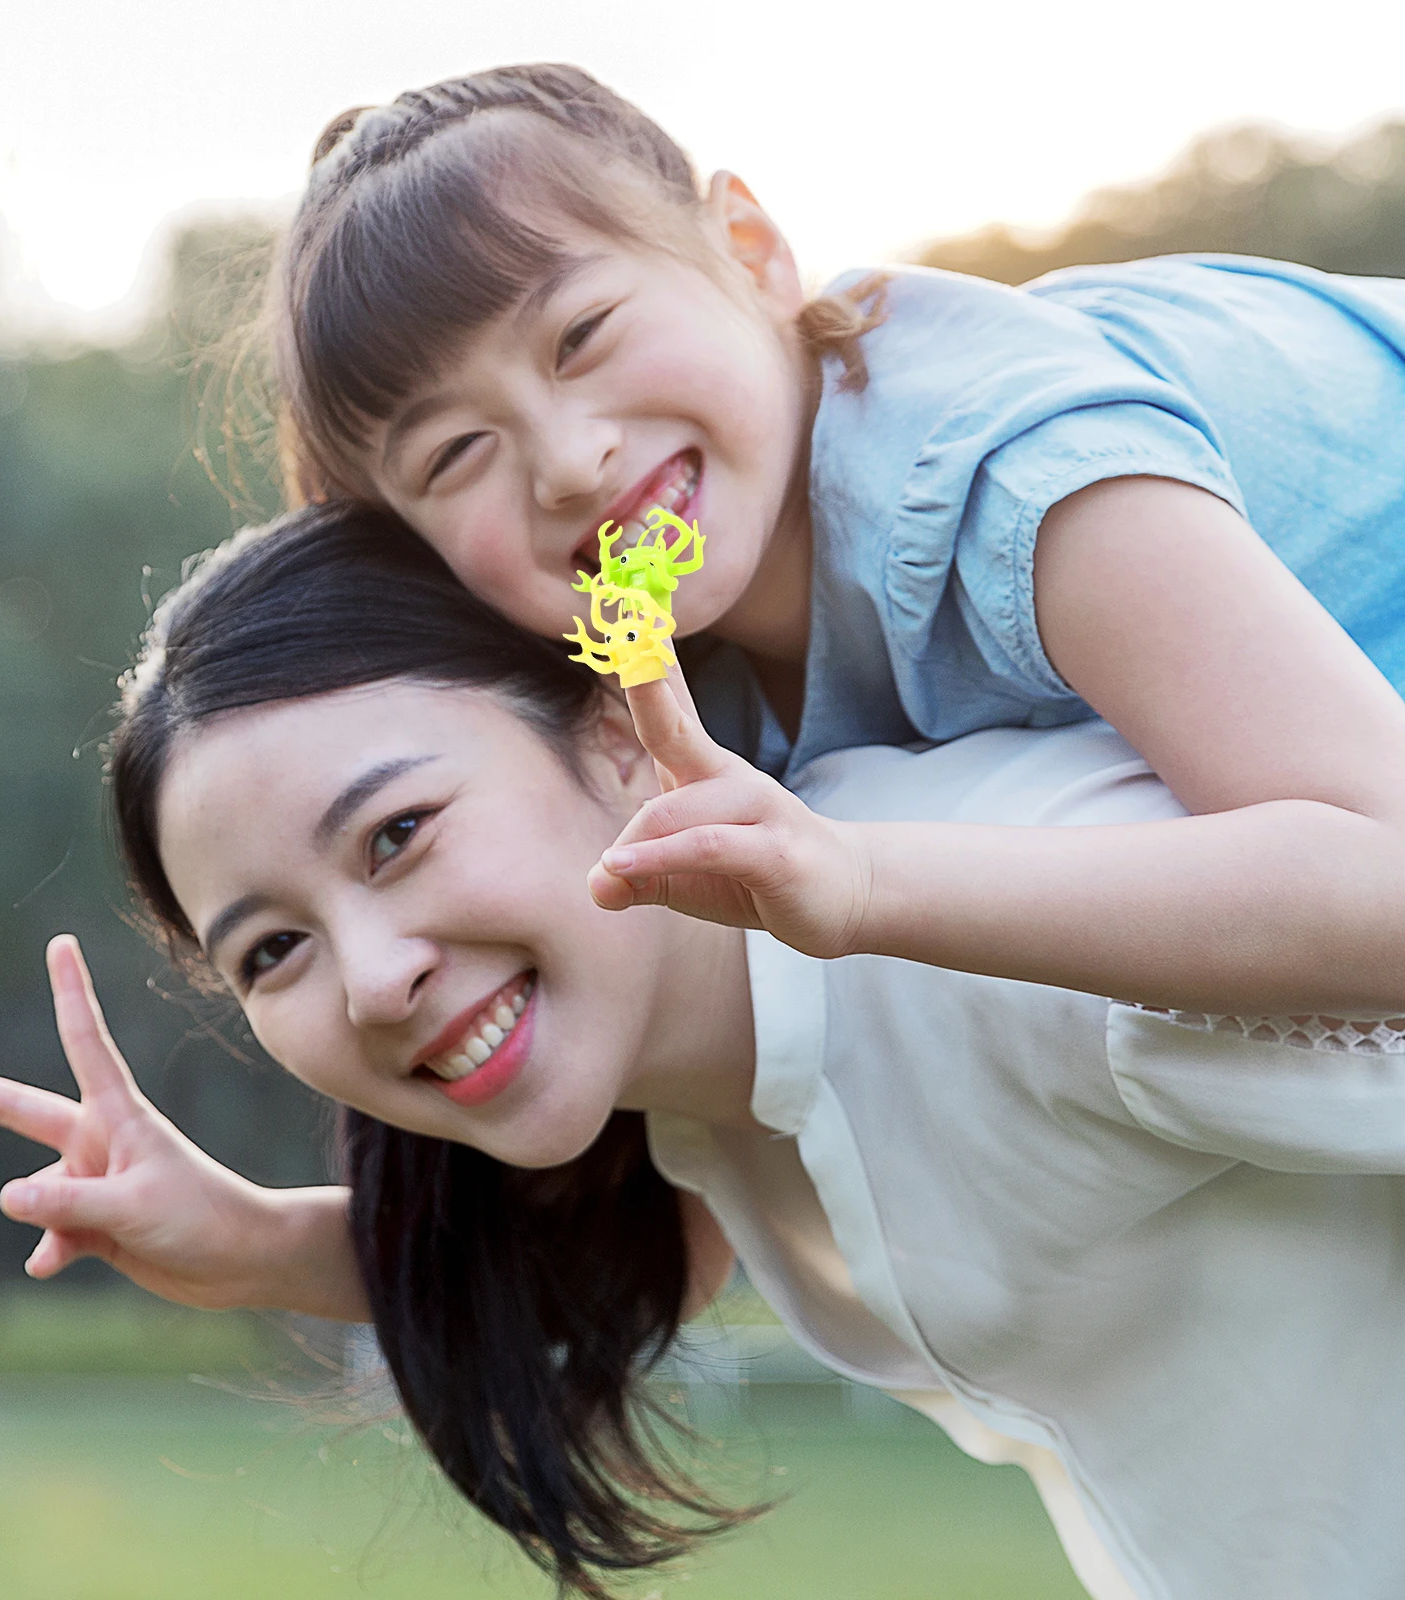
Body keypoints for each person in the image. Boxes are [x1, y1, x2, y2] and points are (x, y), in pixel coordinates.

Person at [0, 506, 1405, 1600]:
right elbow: (614, 1264)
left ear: (621, 728)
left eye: (400, 834)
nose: (370, 979)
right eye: (273, 951)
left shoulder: (1008, 917)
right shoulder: (701, 1099)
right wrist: (254, 1245)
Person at [267, 61, 1405, 1022]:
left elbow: (1389, 885)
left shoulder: (1005, 474)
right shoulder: (663, 683)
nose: (567, 462)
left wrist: (861, 880)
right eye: (454, 453)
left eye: (581, 334)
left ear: (752, 253)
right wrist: (273, 1239)